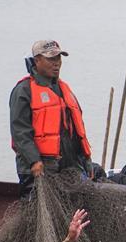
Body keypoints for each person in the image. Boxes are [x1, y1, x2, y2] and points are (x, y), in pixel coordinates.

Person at [10, 40, 92, 196]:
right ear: (37, 61)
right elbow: (20, 132)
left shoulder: (64, 89)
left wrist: (86, 160)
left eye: (58, 58)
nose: (56, 63)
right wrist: (34, 161)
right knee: (39, 208)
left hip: (69, 167)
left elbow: (76, 130)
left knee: (77, 205)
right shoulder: (23, 90)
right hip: (39, 169)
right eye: (51, 59)